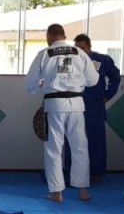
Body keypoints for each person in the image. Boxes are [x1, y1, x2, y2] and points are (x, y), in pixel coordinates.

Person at [25, 24, 99, 202]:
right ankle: (83, 191)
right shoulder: (79, 53)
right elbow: (93, 80)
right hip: (77, 105)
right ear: (64, 36)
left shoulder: (44, 54)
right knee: (80, 148)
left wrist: (39, 86)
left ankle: (57, 193)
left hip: (55, 105)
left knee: (54, 150)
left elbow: (30, 85)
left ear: (49, 36)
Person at [64, 34, 121, 183]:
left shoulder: (102, 60)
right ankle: (71, 171)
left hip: (95, 103)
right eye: (76, 48)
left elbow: (115, 76)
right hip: (73, 102)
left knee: (96, 138)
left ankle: (97, 172)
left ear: (89, 47)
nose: (79, 51)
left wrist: (109, 93)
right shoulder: (68, 61)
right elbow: (60, 80)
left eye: (82, 48)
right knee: (72, 137)